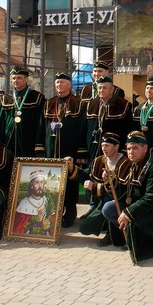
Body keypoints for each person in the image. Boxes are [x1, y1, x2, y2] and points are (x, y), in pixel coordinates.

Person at [104, 131, 153, 262]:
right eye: (129, 148)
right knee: (109, 208)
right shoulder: (132, 163)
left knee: (133, 223)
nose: (131, 152)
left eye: (135, 148)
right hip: (139, 206)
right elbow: (124, 191)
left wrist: (128, 213)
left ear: (145, 148)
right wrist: (111, 181)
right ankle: (128, 238)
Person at [44, 72, 85, 227]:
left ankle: (71, 210)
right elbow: (42, 127)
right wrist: (41, 148)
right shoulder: (49, 103)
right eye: (57, 83)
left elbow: (82, 128)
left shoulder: (78, 103)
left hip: (70, 149)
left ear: (69, 85)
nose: (59, 85)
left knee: (70, 180)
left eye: (62, 82)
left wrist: (81, 152)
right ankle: (54, 212)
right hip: (51, 149)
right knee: (52, 182)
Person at [80, 132, 132, 247]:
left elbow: (121, 190)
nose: (103, 148)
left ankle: (114, 233)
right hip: (101, 203)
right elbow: (86, 176)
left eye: (107, 145)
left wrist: (95, 186)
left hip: (120, 203)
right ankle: (104, 224)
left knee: (109, 207)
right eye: (102, 145)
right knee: (85, 228)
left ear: (116, 146)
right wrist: (70, 167)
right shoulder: (99, 161)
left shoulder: (125, 162)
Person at [81, 75, 133, 165]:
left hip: (115, 150)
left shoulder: (123, 105)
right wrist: (83, 151)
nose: (101, 90)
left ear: (112, 90)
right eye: (100, 88)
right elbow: (84, 128)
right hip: (93, 148)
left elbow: (129, 129)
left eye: (104, 88)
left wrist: (125, 149)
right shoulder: (91, 104)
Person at [0, 66, 45, 158]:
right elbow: (0, 123)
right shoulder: (5, 99)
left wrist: (39, 144)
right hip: (9, 141)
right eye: (14, 78)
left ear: (26, 79)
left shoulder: (37, 97)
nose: (16, 81)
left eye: (19, 78)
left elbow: (40, 123)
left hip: (28, 140)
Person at [12, 169, 56, 236]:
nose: (40, 186)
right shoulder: (24, 203)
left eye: (41, 182)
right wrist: (37, 218)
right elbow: (18, 230)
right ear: (32, 186)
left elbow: (54, 227)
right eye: (37, 182)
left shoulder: (47, 201)